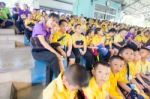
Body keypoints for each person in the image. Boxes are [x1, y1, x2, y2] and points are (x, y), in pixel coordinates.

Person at [31, 13, 63, 85]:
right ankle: (59, 79)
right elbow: (44, 44)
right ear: (47, 18)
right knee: (54, 57)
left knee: (50, 63)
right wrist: (57, 54)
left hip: (44, 50)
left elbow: (49, 42)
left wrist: (52, 33)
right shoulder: (39, 26)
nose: (54, 23)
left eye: (56, 22)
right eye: (52, 20)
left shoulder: (49, 29)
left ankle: (48, 84)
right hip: (37, 52)